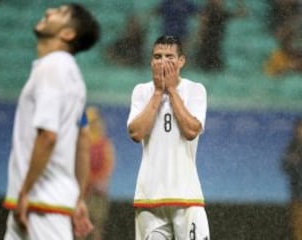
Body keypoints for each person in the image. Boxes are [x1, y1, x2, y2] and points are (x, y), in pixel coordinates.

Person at [2, 3, 100, 240]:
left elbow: (47, 136)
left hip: (40, 203)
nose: (48, 11)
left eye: (60, 12)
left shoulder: (52, 68)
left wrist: (24, 192)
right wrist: (77, 199)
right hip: (43, 203)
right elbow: (83, 140)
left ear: (67, 34)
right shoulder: (74, 77)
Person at [127, 35, 209, 240]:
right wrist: (157, 93)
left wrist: (171, 90)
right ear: (151, 61)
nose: (163, 62)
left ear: (182, 61)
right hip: (149, 198)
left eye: (169, 56)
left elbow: (191, 131)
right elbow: (136, 133)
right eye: (157, 56)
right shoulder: (141, 91)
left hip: (187, 195)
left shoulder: (195, 90)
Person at [77, 106, 115, 240]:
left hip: (97, 193)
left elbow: (107, 167)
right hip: (83, 192)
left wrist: (94, 181)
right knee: (80, 226)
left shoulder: (104, 144)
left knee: (96, 227)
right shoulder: (82, 142)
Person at [194, 0, 246, 71]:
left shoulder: (221, 13)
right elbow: (201, 28)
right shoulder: (207, 11)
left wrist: (240, 3)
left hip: (216, 46)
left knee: (215, 68)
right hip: (206, 46)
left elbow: (242, 14)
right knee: (206, 68)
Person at [282, 119, 302, 240]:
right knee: (297, 221)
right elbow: (284, 165)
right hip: (296, 190)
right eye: (298, 129)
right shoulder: (292, 146)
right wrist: (292, 162)